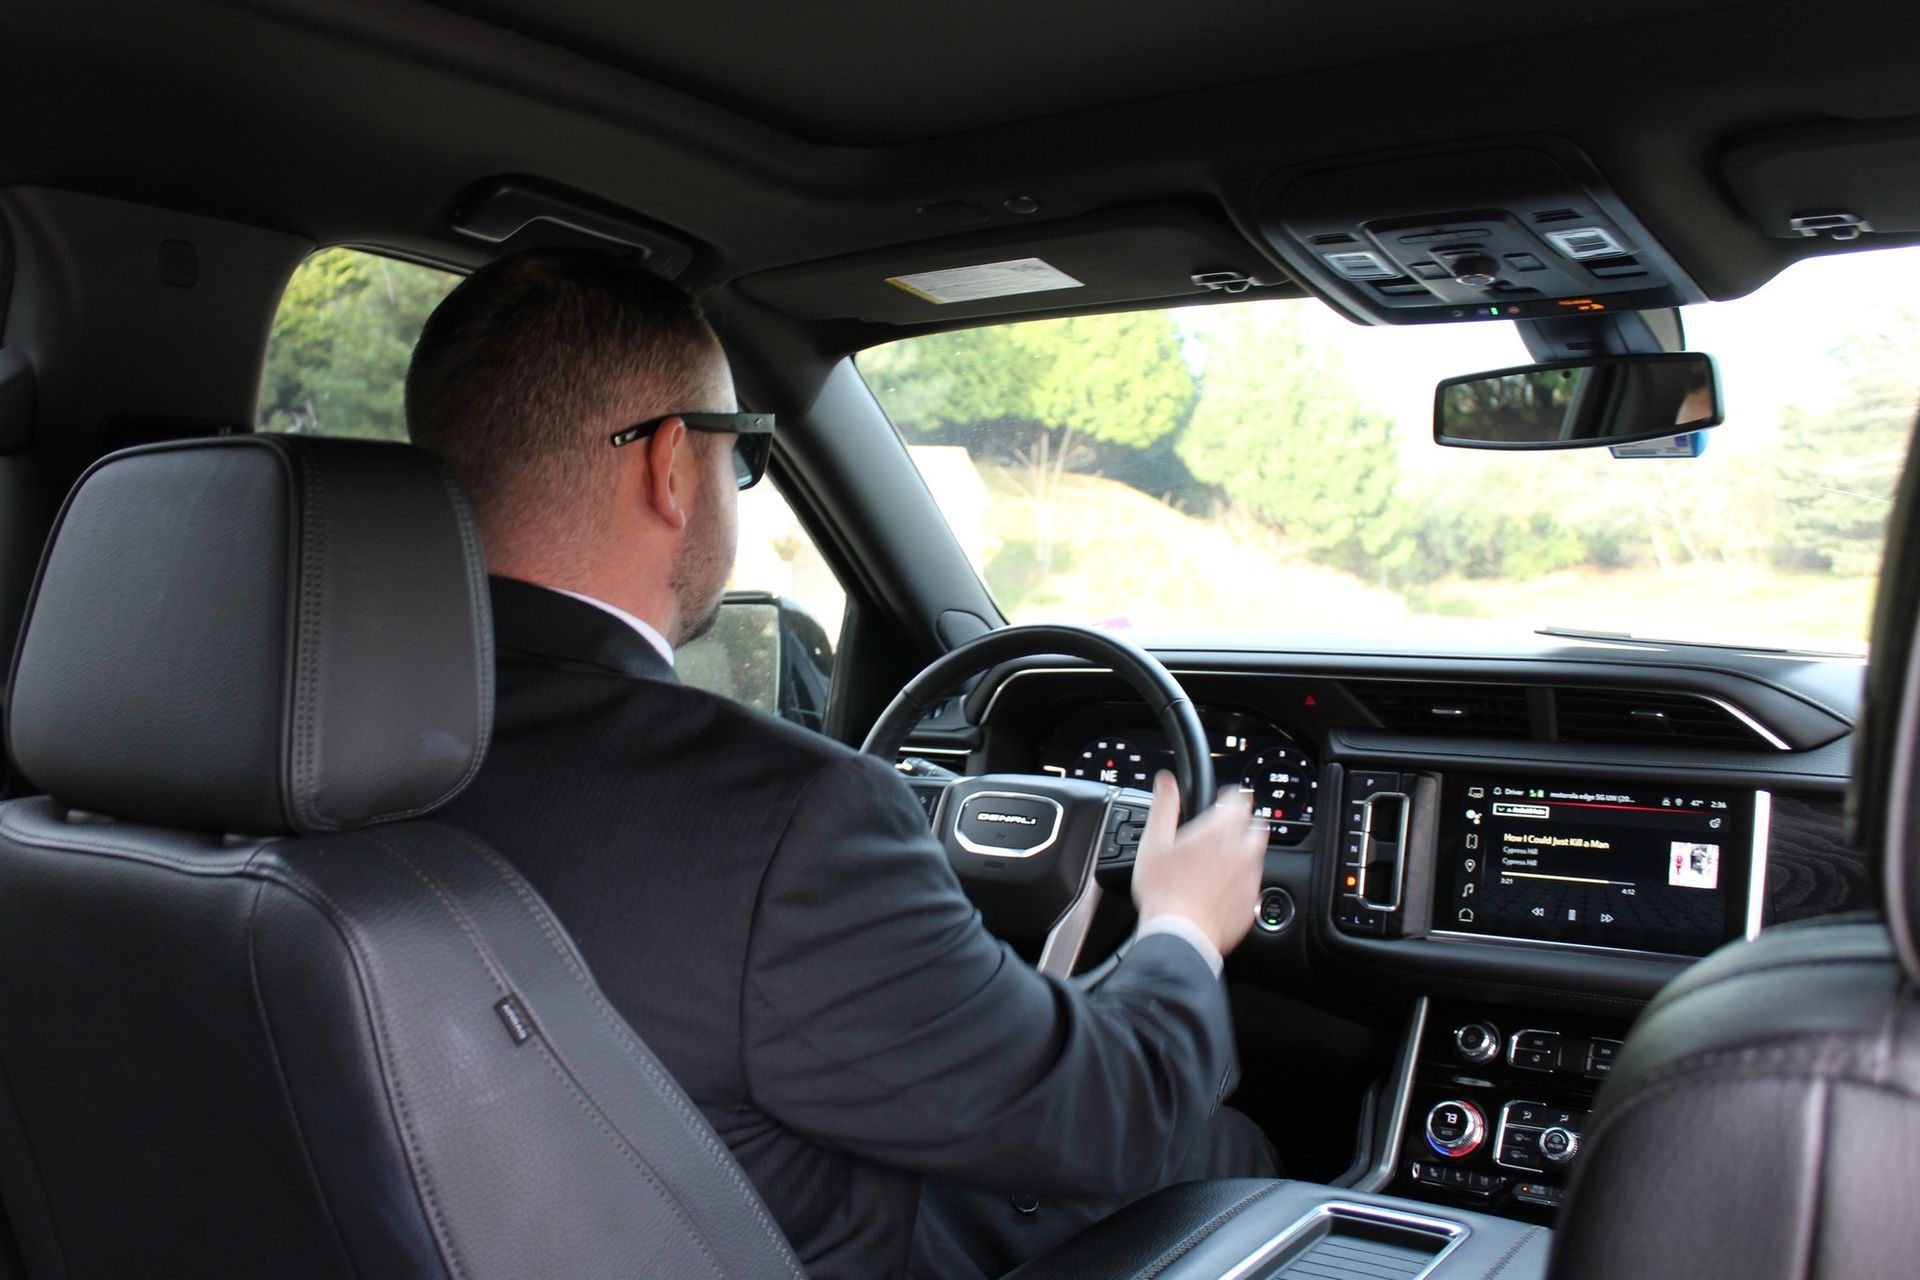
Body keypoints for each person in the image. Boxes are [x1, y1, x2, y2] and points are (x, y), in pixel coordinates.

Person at [405, 248, 1275, 1278]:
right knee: (1234, 1152)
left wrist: (975, 995)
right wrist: (1182, 923)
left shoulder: (289, 761)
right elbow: (1110, 1118)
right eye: (741, 452)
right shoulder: (784, 817)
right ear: (671, 467)